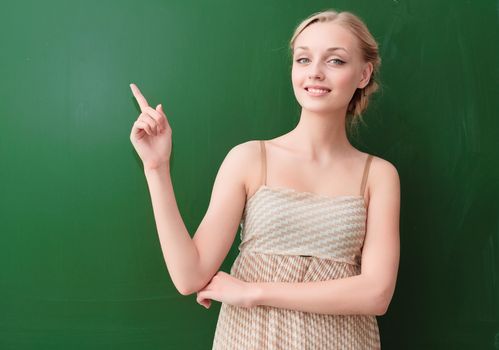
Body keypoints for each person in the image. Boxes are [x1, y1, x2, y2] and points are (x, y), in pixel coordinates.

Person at [129, 8, 400, 350]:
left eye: (335, 61)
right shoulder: (249, 158)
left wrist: (253, 291)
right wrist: (156, 167)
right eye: (303, 59)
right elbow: (190, 276)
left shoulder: (378, 175)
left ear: (363, 74)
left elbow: (376, 294)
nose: (314, 73)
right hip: (250, 339)